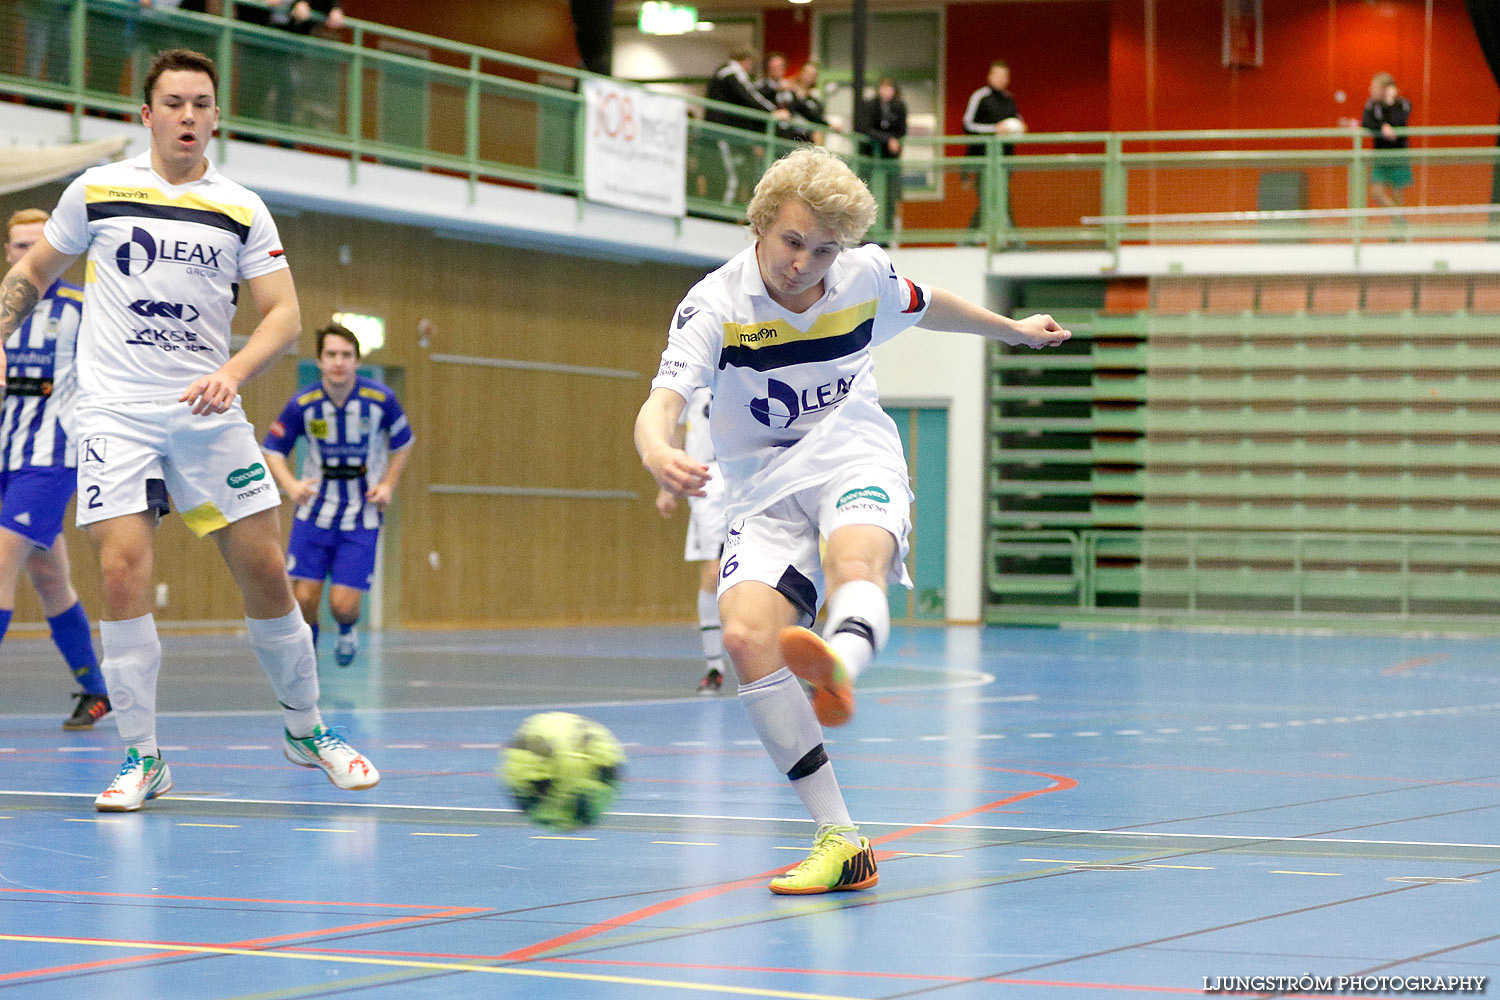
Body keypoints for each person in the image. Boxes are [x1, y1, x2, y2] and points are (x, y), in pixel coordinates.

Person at [633, 146, 1069, 894]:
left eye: (824, 248)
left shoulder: (864, 275)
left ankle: (841, 663)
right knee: (743, 636)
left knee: (856, 563)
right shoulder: (715, 305)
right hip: (760, 482)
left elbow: (930, 305)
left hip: (851, 452)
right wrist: (655, 450)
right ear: (761, 225)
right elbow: (662, 404)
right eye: (793, 242)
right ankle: (842, 838)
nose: (805, 262)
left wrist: (1014, 330)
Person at [0, 48, 379, 812]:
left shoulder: (241, 207)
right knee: (119, 568)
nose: (187, 115)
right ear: (147, 115)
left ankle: (305, 730)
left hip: (206, 414)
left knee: (267, 570)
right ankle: (142, 756)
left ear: (215, 118)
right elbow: (34, 273)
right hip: (114, 413)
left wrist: (233, 375)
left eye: (200, 104)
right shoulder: (96, 191)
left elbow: (285, 316)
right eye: (172, 102)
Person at [1, 210, 109, 731]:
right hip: (5, 456)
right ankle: (95, 689)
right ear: (7, 253)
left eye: (36, 245)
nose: (26, 255)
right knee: (49, 576)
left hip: (51, 459)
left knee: (2, 561)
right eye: (18, 246)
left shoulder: (83, 311)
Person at [262, 323, 413, 668]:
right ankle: (307, 661)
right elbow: (272, 448)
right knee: (303, 600)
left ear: (357, 361)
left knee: (343, 605)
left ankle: (347, 629)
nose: (338, 362)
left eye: (346, 355)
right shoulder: (303, 404)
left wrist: (388, 484)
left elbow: (403, 444)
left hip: (362, 516)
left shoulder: (380, 400)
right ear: (319, 360)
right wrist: (291, 485)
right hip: (314, 514)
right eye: (331, 354)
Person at [653, 386, 726, 694]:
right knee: (713, 571)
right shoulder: (690, 376)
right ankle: (714, 665)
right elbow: (677, 429)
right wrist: (668, 487)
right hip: (705, 478)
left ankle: (791, 663)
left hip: (748, 475)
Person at [704, 49, 790, 206]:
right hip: (722, 131)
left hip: (721, 131)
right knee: (730, 177)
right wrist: (773, 112)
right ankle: (723, 214)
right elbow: (750, 96)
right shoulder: (732, 74)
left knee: (726, 175)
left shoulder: (724, 73)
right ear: (746, 61)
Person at [963, 59, 1025, 235]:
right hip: (983, 160)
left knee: (1002, 197)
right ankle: (971, 239)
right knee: (989, 198)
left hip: (1004, 160)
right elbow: (968, 125)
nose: (1000, 79)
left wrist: (1020, 127)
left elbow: (1017, 121)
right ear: (990, 76)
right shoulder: (980, 96)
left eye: (1004, 75)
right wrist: (994, 130)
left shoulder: (1009, 99)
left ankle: (1008, 238)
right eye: (997, 74)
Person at [856, 77, 908, 231]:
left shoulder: (899, 106)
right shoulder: (870, 105)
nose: (886, 92)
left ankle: (886, 230)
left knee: (890, 197)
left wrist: (893, 140)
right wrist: (887, 139)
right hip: (870, 156)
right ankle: (867, 233)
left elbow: (902, 130)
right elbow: (864, 128)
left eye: (889, 88)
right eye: (883, 88)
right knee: (868, 194)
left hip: (890, 159)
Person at [1362, 72, 1412, 217]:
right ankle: (1400, 219)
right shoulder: (1371, 104)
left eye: (1375, 87)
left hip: (1399, 154)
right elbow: (1366, 122)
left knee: (1398, 197)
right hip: (1380, 154)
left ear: (1386, 89)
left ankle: (1397, 236)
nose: (1371, 90)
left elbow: (1400, 120)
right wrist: (1381, 127)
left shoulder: (1402, 104)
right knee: (1377, 192)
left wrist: (1390, 102)